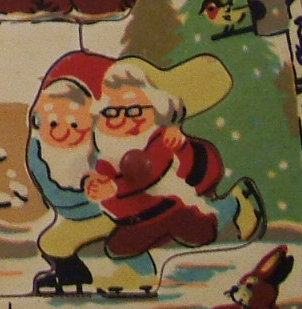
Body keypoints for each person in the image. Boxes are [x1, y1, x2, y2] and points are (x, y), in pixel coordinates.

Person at [88, 56, 265, 267]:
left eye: (134, 110)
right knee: (118, 248)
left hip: (175, 204)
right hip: (142, 216)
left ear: (157, 108)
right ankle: (147, 267)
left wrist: (115, 187)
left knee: (198, 231)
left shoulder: (159, 138)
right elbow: (106, 187)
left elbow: (153, 168)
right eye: (111, 112)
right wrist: (98, 189)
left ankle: (234, 202)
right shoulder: (107, 156)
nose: (122, 119)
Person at [25, 51, 157, 294]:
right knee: (52, 242)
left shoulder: (101, 148)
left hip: (110, 211)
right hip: (75, 216)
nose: (63, 132)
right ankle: (73, 276)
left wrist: (106, 188)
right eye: (53, 123)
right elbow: (50, 188)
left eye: (75, 124)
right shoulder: (39, 152)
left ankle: (141, 276)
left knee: (123, 236)